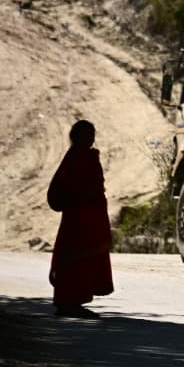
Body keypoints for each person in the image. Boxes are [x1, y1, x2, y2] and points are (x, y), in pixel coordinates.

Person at [46, 119, 115, 318]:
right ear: (77, 137)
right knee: (75, 259)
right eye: (87, 134)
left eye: (92, 134)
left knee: (83, 260)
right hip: (77, 219)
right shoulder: (77, 158)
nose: (91, 138)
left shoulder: (85, 157)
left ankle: (74, 301)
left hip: (88, 217)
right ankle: (69, 302)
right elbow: (68, 187)